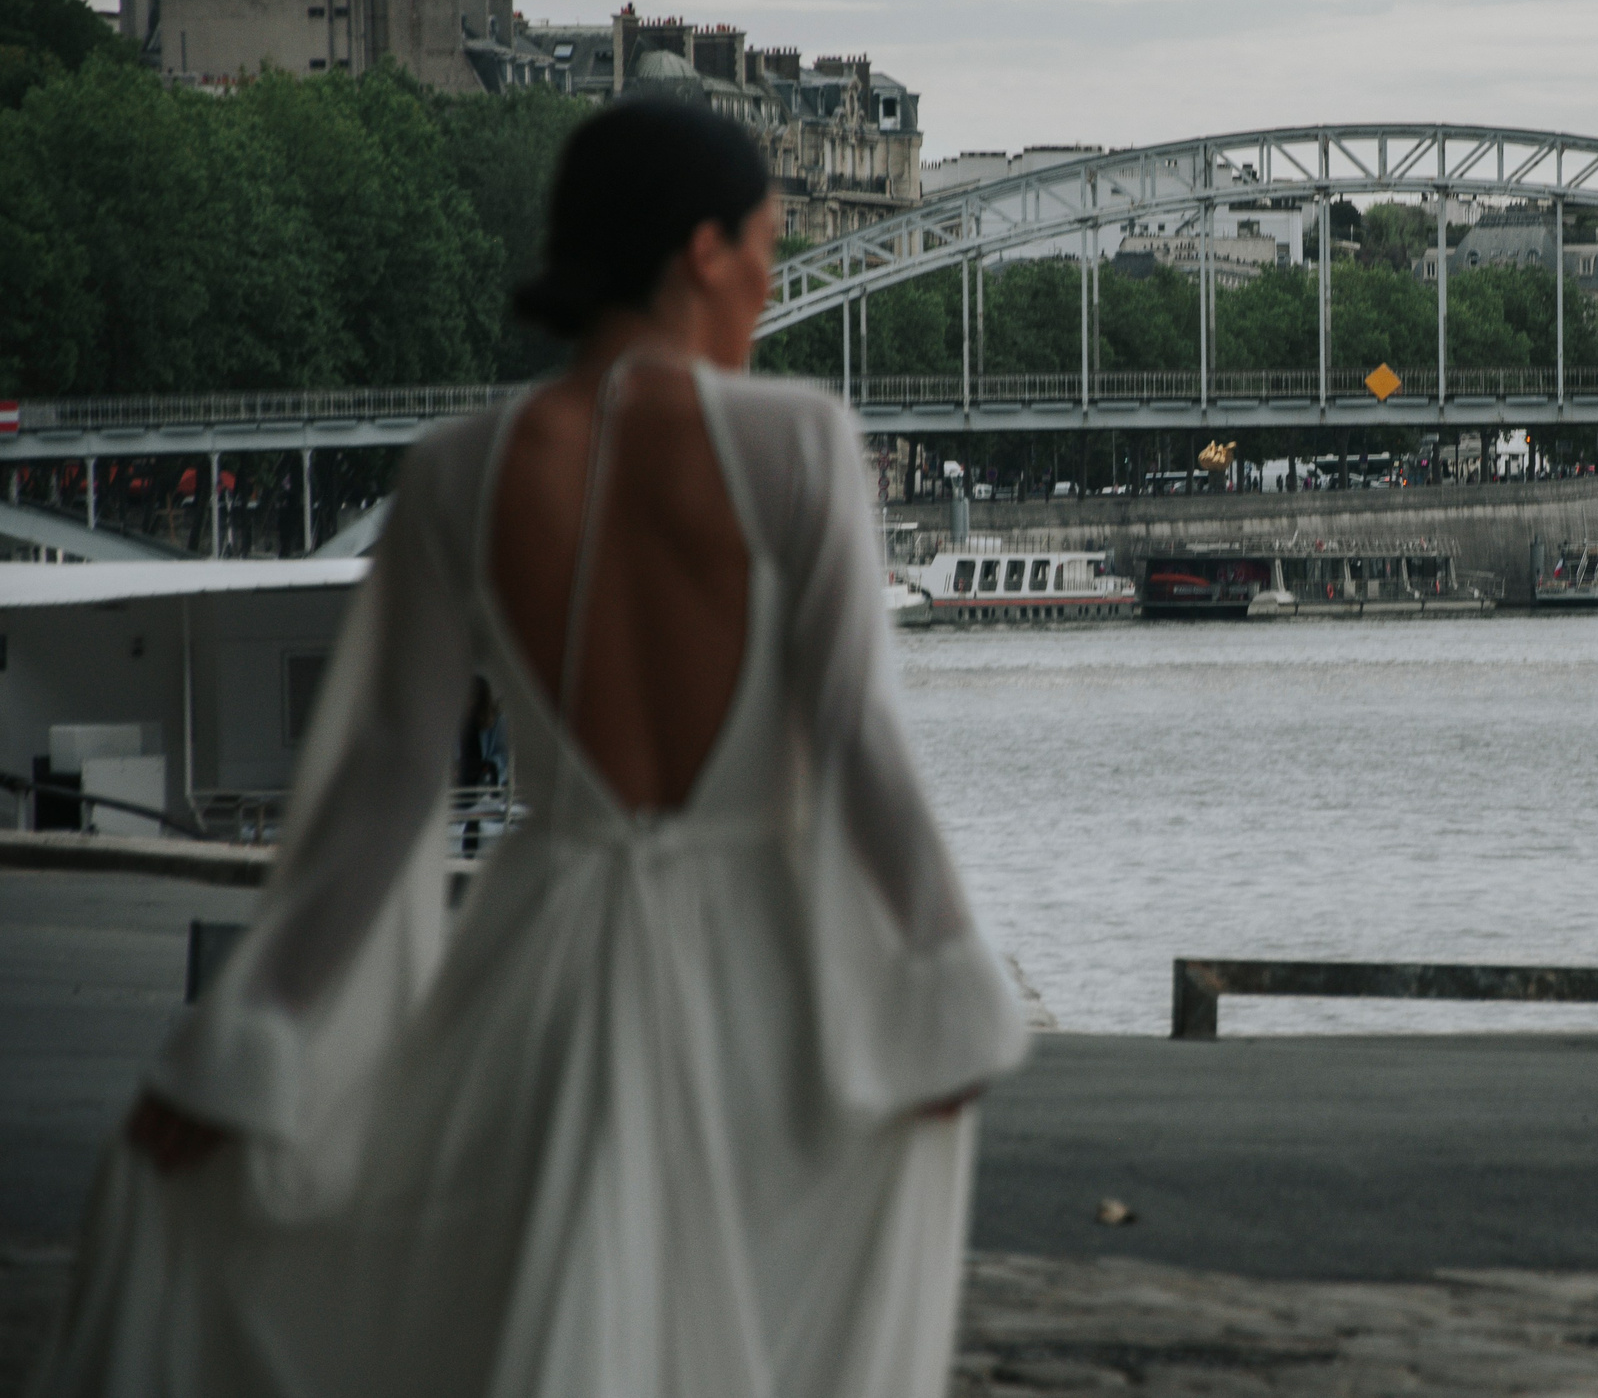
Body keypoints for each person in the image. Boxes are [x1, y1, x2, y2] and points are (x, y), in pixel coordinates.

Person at [34, 97, 1029, 1398]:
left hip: (545, 958)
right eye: (766, 245)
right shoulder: (798, 444)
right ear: (703, 252)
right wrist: (948, 980)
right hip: (758, 983)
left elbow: (384, 790)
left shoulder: (462, 470)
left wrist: (248, 1038)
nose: (770, 281)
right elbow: (858, 745)